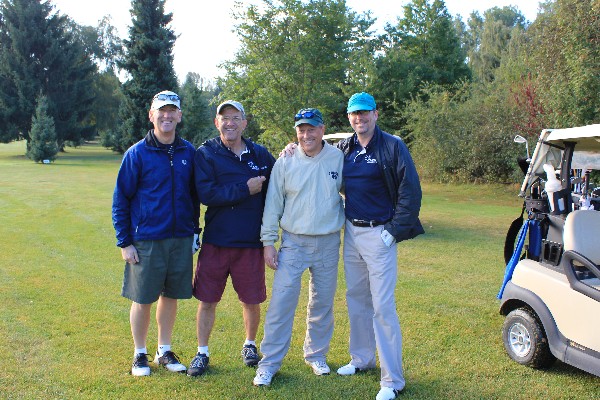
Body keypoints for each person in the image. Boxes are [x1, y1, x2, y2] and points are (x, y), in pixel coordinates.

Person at [336, 92, 424, 400]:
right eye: (354, 114)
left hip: (380, 235)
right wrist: (292, 148)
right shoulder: (344, 148)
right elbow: (319, 163)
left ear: (375, 114)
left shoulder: (392, 146)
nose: (359, 118)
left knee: (383, 307)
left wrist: (393, 231)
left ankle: (392, 381)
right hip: (352, 233)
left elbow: (410, 191)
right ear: (349, 118)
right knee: (356, 298)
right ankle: (361, 358)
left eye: (364, 113)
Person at [252, 108, 345, 387]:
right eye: (301, 130)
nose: (306, 135)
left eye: (312, 129)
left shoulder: (338, 158)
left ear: (322, 129)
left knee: (322, 302)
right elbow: (273, 206)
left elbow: (352, 192)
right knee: (281, 303)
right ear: (296, 132)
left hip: (328, 241)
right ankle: (268, 364)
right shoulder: (285, 161)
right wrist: (269, 242)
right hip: (293, 242)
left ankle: (316, 354)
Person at [112, 90, 201, 377]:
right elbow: (120, 199)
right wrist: (125, 242)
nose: (167, 115)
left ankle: (164, 349)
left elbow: (193, 196)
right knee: (143, 298)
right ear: (151, 115)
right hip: (147, 239)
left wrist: (194, 231)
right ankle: (140, 354)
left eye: (172, 110)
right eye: (161, 110)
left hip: (180, 239)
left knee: (171, 296)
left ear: (179, 116)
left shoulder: (189, 152)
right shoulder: (137, 153)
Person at [187, 100, 276, 377]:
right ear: (217, 123)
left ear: (244, 123)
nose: (230, 123)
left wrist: (291, 151)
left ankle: (250, 345)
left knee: (251, 299)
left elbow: (281, 179)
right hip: (216, 241)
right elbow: (207, 194)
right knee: (207, 299)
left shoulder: (260, 154)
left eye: (235, 117)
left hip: (250, 242)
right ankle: (202, 352)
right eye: (224, 118)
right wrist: (244, 188)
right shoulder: (207, 153)